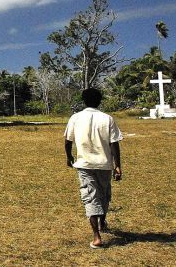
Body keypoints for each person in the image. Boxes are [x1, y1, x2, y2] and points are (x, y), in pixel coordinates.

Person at [64, 88, 123, 249]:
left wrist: (69, 156)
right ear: (100, 101)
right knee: (104, 194)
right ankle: (102, 222)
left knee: (91, 196)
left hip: (85, 164)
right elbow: (114, 144)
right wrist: (117, 165)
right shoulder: (107, 119)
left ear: (84, 101)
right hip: (105, 165)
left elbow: (68, 140)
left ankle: (97, 236)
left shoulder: (75, 118)